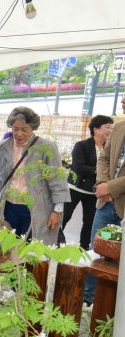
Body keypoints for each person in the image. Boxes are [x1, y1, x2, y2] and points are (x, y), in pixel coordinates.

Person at [0, 107, 70, 245]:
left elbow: (58, 180)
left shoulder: (46, 147)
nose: (19, 133)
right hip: (8, 206)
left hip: (36, 207)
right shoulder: (2, 147)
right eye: (15, 129)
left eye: (24, 129)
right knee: (8, 244)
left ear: (33, 128)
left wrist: (58, 211)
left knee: (34, 245)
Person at [85, 98, 125, 306]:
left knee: (121, 257)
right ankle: (89, 298)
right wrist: (103, 184)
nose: (122, 100)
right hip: (107, 207)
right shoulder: (119, 127)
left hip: (122, 209)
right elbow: (104, 158)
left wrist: (111, 187)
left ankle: (114, 305)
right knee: (99, 248)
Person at [62, 115, 113, 251]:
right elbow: (78, 167)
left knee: (90, 222)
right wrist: (100, 170)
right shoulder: (82, 145)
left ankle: (84, 250)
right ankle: (55, 243)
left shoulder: (110, 148)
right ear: (95, 129)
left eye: (111, 128)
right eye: (107, 127)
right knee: (64, 217)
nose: (110, 130)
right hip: (75, 189)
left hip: (94, 192)